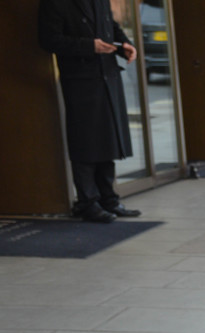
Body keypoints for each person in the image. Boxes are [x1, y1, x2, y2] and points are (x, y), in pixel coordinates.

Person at [37, 0, 142, 224]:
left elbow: (110, 26)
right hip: (80, 80)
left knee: (107, 139)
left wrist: (124, 44)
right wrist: (89, 46)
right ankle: (87, 203)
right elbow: (48, 40)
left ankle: (109, 199)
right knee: (85, 142)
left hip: (107, 74)